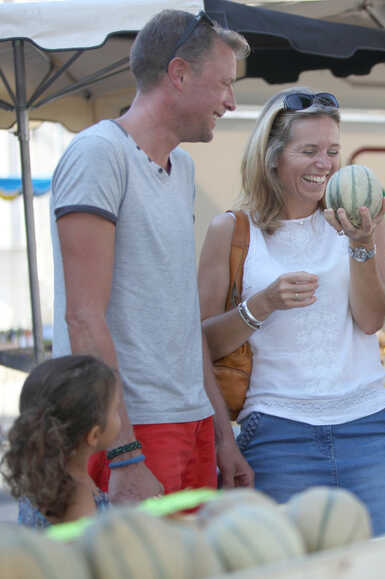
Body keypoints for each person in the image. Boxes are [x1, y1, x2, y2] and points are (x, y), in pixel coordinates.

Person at [50, 10, 254, 503]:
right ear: (179, 74)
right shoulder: (99, 154)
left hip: (193, 422)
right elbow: (83, 318)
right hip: (130, 430)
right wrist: (123, 455)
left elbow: (182, 313)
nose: (230, 102)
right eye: (224, 84)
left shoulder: (180, 168)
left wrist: (222, 436)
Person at [196, 86, 385, 536]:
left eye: (333, 150)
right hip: (275, 434)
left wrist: (361, 244)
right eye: (309, 150)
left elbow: (371, 320)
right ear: (272, 157)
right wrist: (261, 305)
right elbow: (200, 343)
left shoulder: (361, 219)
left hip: (367, 426)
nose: (325, 163)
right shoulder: (232, 230)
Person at [1, 356, 119, 527]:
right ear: (94, 435)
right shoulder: (77, 496)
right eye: (116, 410)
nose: (119, 416)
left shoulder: (40, 477)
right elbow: (80, 553)